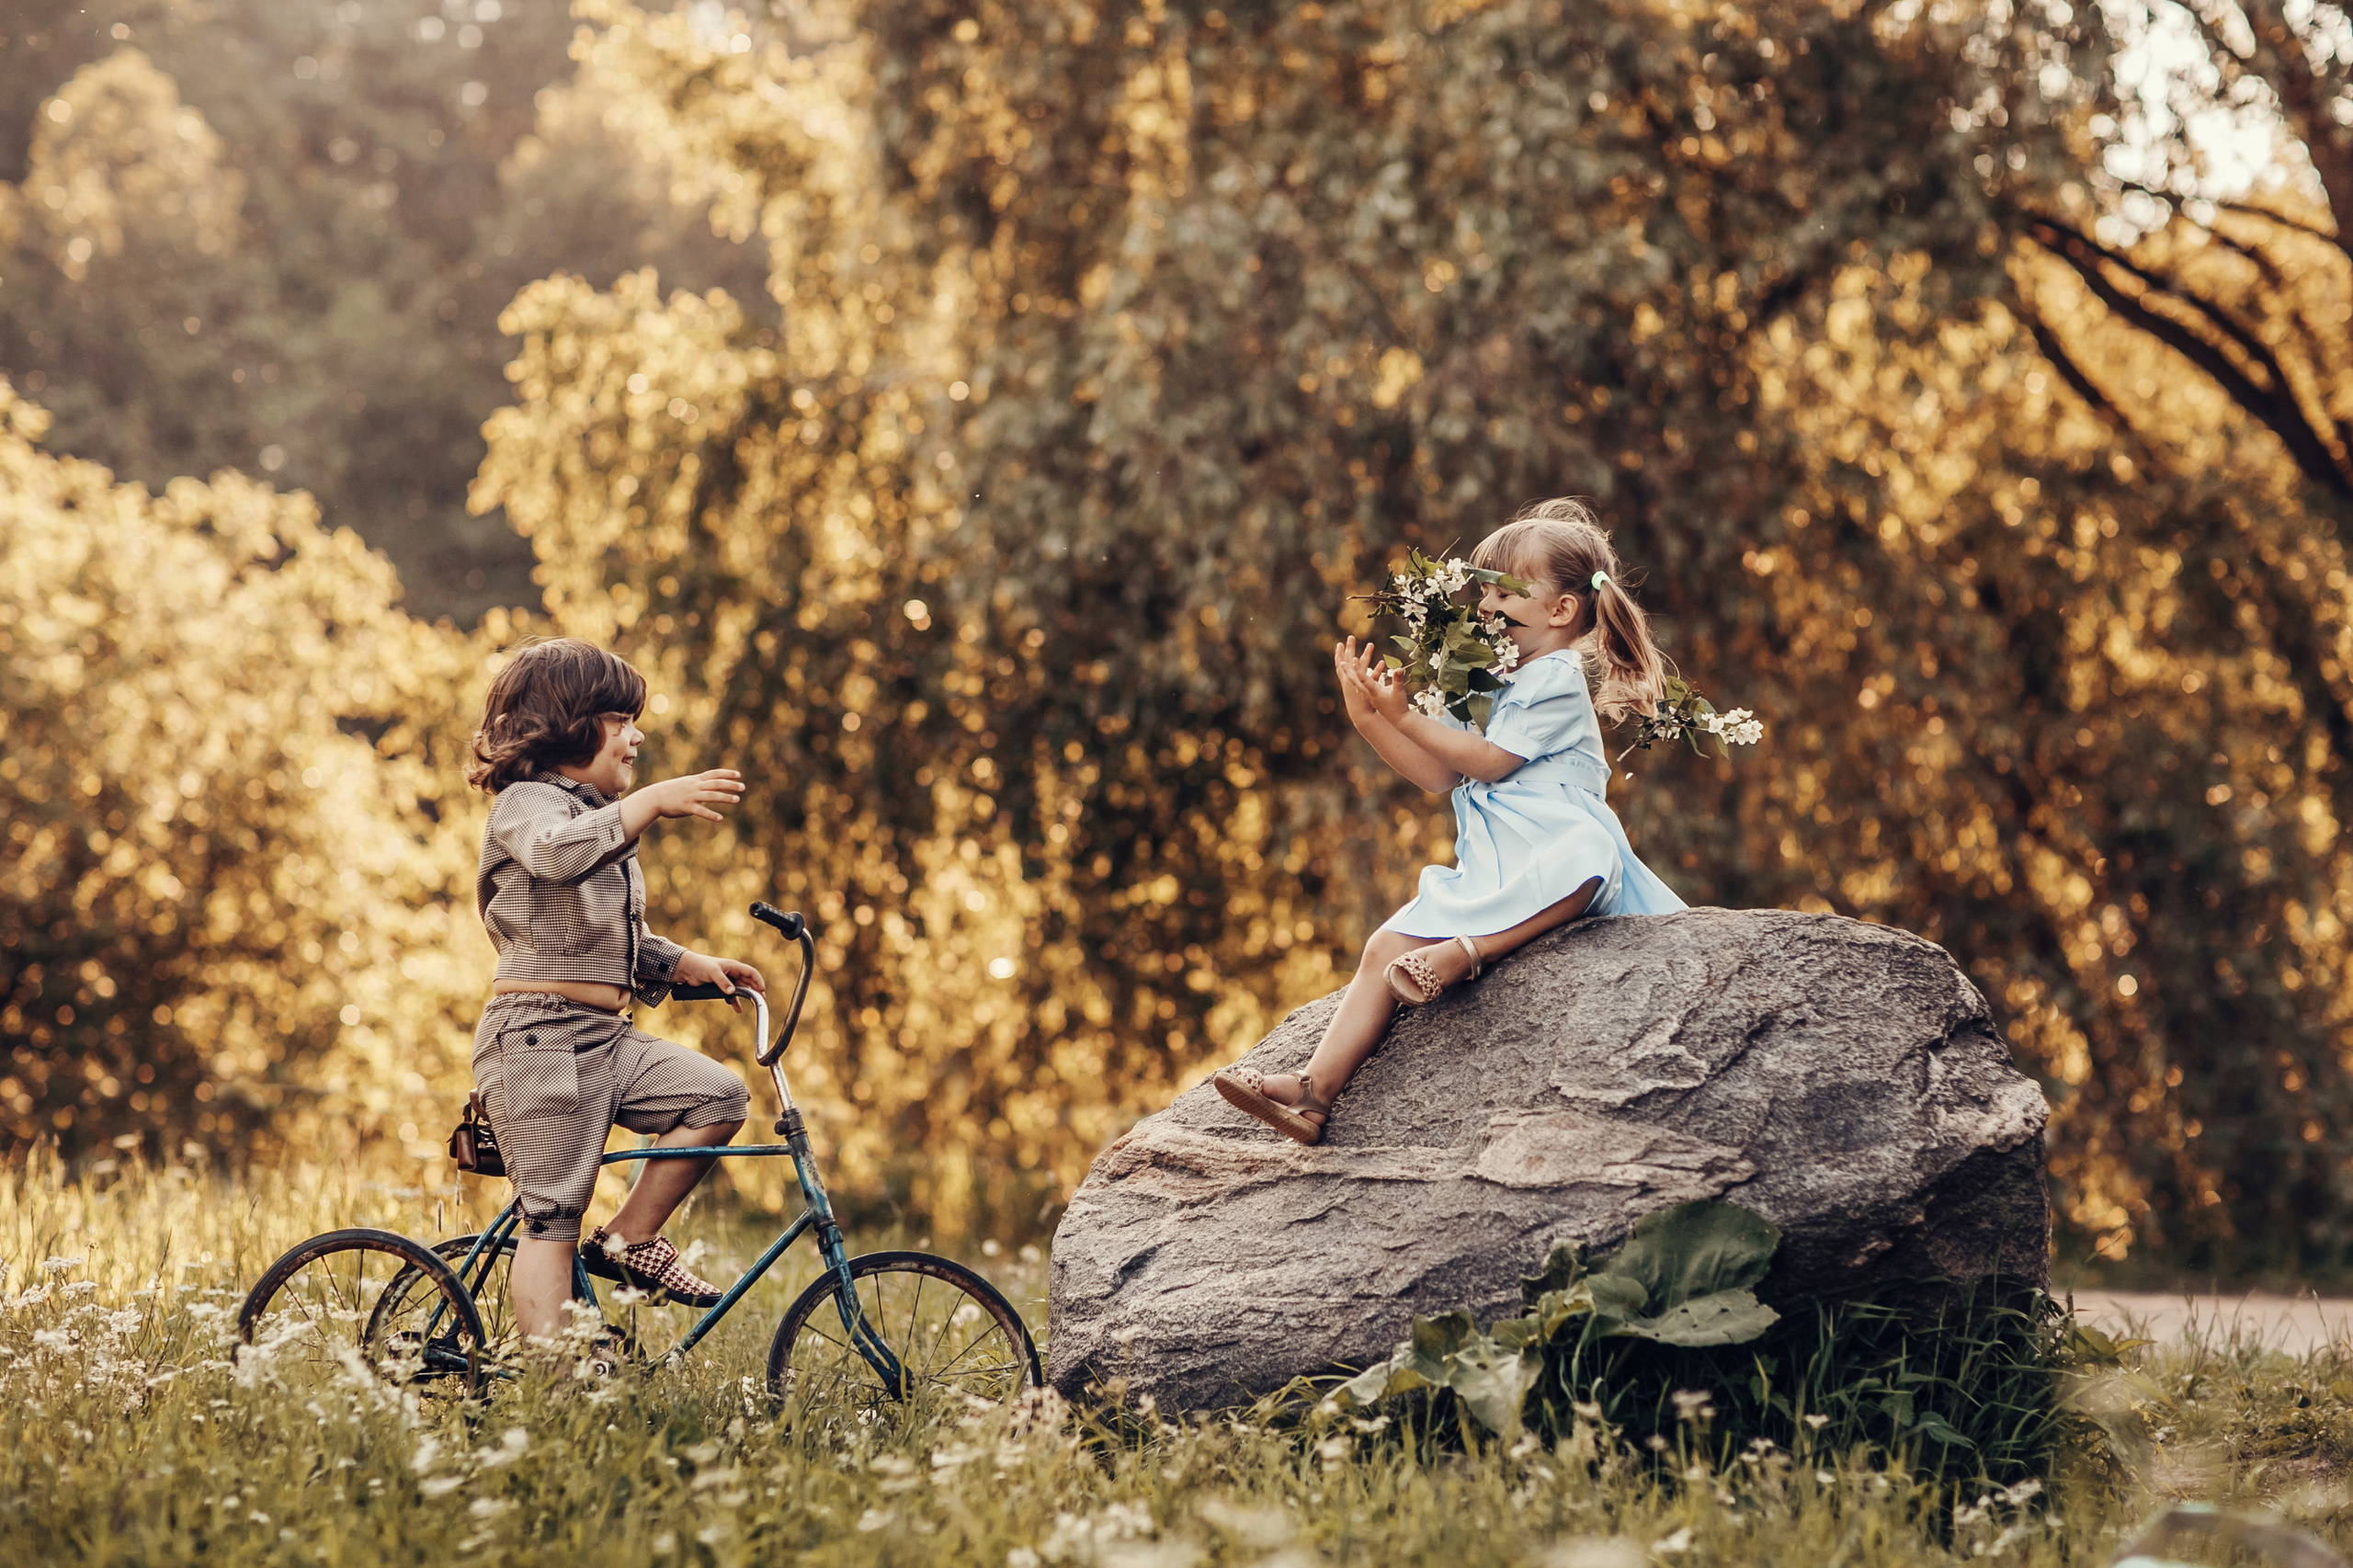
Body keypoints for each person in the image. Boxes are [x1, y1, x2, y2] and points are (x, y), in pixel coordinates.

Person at [1215, 498, 1687, 1144]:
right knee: (1383, 948)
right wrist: (1369, 718)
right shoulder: (1481, 680)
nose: (1485, 606)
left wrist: (1406, 715)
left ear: (1560, 611)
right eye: (1482, 592)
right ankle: (1313, 1092)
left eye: (1504, 593)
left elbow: (1490, 762)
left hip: (1551, 848)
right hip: (1495, 862)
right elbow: (1441, 774)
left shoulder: (1555, 677)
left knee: (1587, 854)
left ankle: (1472, 952)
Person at [464, 637, 765, 1350]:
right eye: (620, 721)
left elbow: (611, 937)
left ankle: (630, 1238)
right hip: (538, 1042)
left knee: (719, 1096)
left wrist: (684, 961)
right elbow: (553, 856)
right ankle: (558, 1388)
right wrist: (652, 804)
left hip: (606, 1039)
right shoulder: (527, 805)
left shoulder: (595, 817)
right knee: (551, 1221)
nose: (637, 737)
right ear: (568, 725)